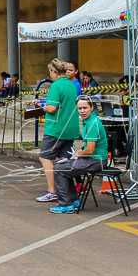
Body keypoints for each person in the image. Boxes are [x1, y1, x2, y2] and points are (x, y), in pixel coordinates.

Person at [49, 96, 109, 214]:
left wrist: (77, 154)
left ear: (92, 108)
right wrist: (75, 153)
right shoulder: (88, 121)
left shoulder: (93, 123)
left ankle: (66, 204)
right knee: (64, 166)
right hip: (92, 158)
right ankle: (73, 200)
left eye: (85, 108)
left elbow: (90, 150)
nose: (82, 111)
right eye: (80, 108)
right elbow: (85, 143)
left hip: (96, 160)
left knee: (58, 169)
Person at [32, 59, 80, 202]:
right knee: (65, 159)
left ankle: (52, 190)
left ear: (53, 72)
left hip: (56, 128)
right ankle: (66, 190)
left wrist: (43, 107)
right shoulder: (71, 85)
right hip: (71, 127)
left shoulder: (56, 85)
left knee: (45, 157)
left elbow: (52, 108)